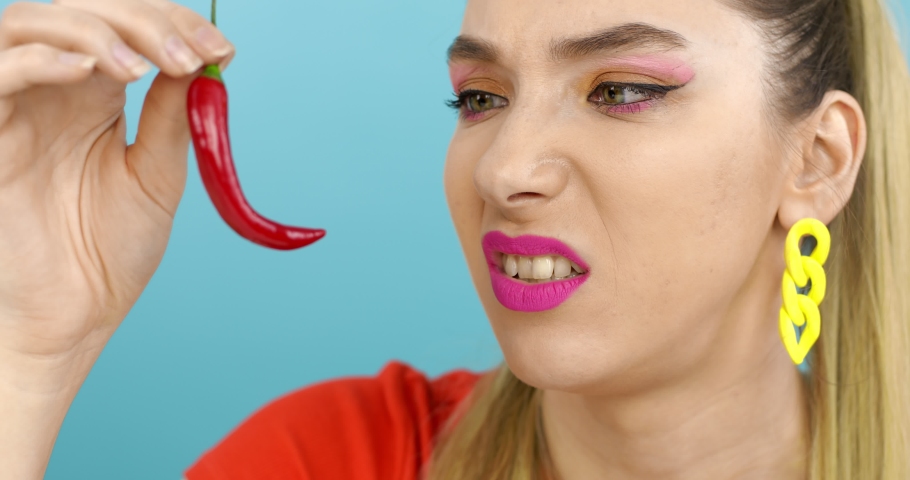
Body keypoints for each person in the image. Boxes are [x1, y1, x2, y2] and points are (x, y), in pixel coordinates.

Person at [1, 0, 908, 478]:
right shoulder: (331, 462)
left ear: (817, 161)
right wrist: (25, 348)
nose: (504, 167)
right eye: (481, 97)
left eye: (621, 90)